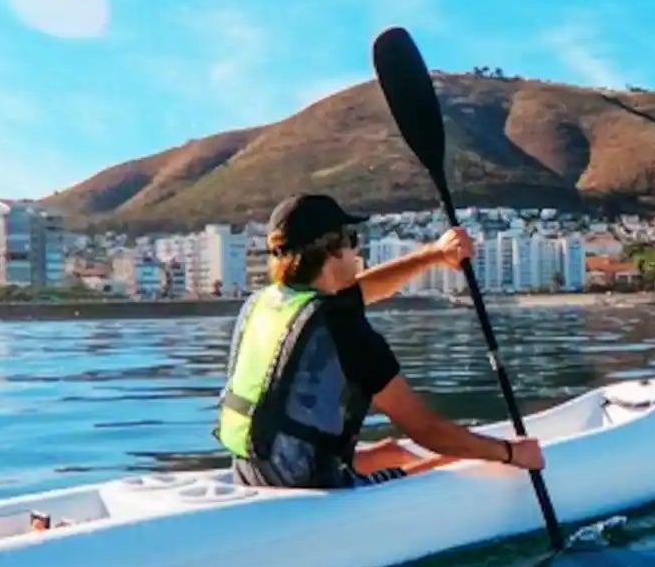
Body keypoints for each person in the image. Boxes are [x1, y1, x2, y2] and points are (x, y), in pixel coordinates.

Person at [218, 193, 546, 490]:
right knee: (461, 459)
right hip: (308, 484)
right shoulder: (343, 327)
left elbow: (363, 289)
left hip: (253, 468)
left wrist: (433, 254)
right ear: (334, 248)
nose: (356, 251)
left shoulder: (268, 301)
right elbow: (427, 429)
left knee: (393, 451)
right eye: (353, 240)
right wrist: (509, 452)